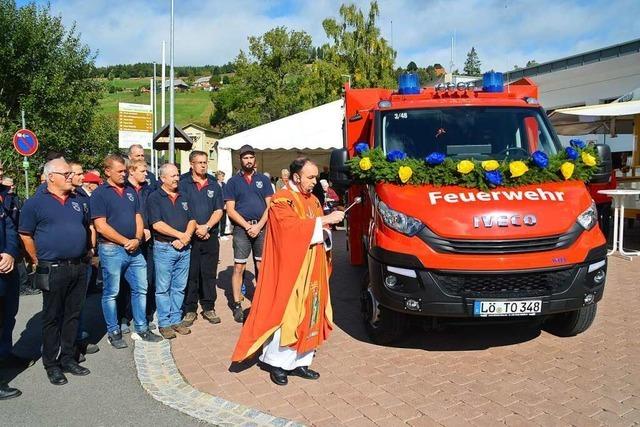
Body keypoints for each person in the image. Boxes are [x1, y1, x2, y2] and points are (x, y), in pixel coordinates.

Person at [232, 157, 344, 386]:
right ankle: (277, 363)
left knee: (310, 311)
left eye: (316, 177)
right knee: (287, 313)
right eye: (310, 177)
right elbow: (289, 230)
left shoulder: (313, 200)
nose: (315, 182)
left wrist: (327, 227)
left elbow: (324, 230)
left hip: (313, 266)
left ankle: (301, 361)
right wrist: (324, 220)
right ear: (296, 177)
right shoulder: (282, 199)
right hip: (291, 268)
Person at [19, 158, 92, 385]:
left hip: (79, 266)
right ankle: (51, 364)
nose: (71, 177)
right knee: (52, 317)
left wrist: (89, 250)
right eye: (66, 174)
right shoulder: (35, 203)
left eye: (71, 173)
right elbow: (25, 234)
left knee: (73, 314)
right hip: (53, 268)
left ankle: (68, 358)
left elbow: (86, 226)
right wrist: (36, 259)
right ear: (51, 177)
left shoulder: (78, 201)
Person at [90, 154, 162, 348]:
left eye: (125, 171)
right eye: (120, 171)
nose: (124, 174)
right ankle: (114, 331)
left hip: (135, 249)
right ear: (107, 171)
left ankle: (142, 328)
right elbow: (101, 226)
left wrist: (137, 239)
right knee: (112, 292)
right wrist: (125, 241)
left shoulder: (131, 190)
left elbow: (139, 216)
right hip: (112, 249)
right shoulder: (100, 194)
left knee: (141, 288)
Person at [223, 145, 274, 323]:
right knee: (239, 267)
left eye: (251, 157)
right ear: (240, 160)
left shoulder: (264, 180)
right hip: (241, 229)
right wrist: (247, 226)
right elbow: (230, 210)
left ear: (255, 160)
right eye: (245, 158)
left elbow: (270, 206)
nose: (248, 160)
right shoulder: (232, 182)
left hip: (261, 228)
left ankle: (263, 301)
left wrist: (259, 225)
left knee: (261, 266)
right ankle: (237, 304)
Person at [147, 164, 196, 339]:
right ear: (163, 178)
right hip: (164, 248)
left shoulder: (184, 195)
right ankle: (164, 323)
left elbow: (192, 219)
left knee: (179, 287)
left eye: (177, 175)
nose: (177, 178)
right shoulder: (155, 197)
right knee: (163, 288)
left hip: (184, 248)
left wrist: (186, 237)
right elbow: (156, 223)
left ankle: (176, 320)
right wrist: (179, 236)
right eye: (173, 176)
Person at [179, 152, 223, 326]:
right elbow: (182, 209)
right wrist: (196, 228)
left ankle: (208, 307)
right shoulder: (183, 184)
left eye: (205, 162)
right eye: (199, 162)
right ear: (191, 164)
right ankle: (190, 310)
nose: (203, 165)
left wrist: (207, 227)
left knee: (209, 273)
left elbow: (219, 210)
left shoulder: (214, 184)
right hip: (191, 236)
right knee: (191, 273)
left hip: (210, 235)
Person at [127, 160, 157, 330]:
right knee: (126, 282)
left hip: (148, 240)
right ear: (131, 171)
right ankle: (124, 316)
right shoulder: (124, 189)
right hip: (129, 240)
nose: (146, 174)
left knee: (148, 278)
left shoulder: (149, 189)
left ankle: (146, 314)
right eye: (143, 171)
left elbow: (153, 211)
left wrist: (149, 227)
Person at [0, 174, 21, 398]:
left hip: (8, 266)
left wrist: (9, 253)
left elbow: (10, 228)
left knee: (8, 315)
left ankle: (5, 355)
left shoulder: (5, 196)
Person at [216, 171, 229, 239]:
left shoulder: (224, 184)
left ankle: (222, 234)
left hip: (223, 206)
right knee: (216, 220)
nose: (223, 178)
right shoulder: (215, 184)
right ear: (218, 177)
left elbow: (226, 195)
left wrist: (225, 204)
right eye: (222, 176)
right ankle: (217, 233)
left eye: (223, 176)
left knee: (223, 220)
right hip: (217, 205)